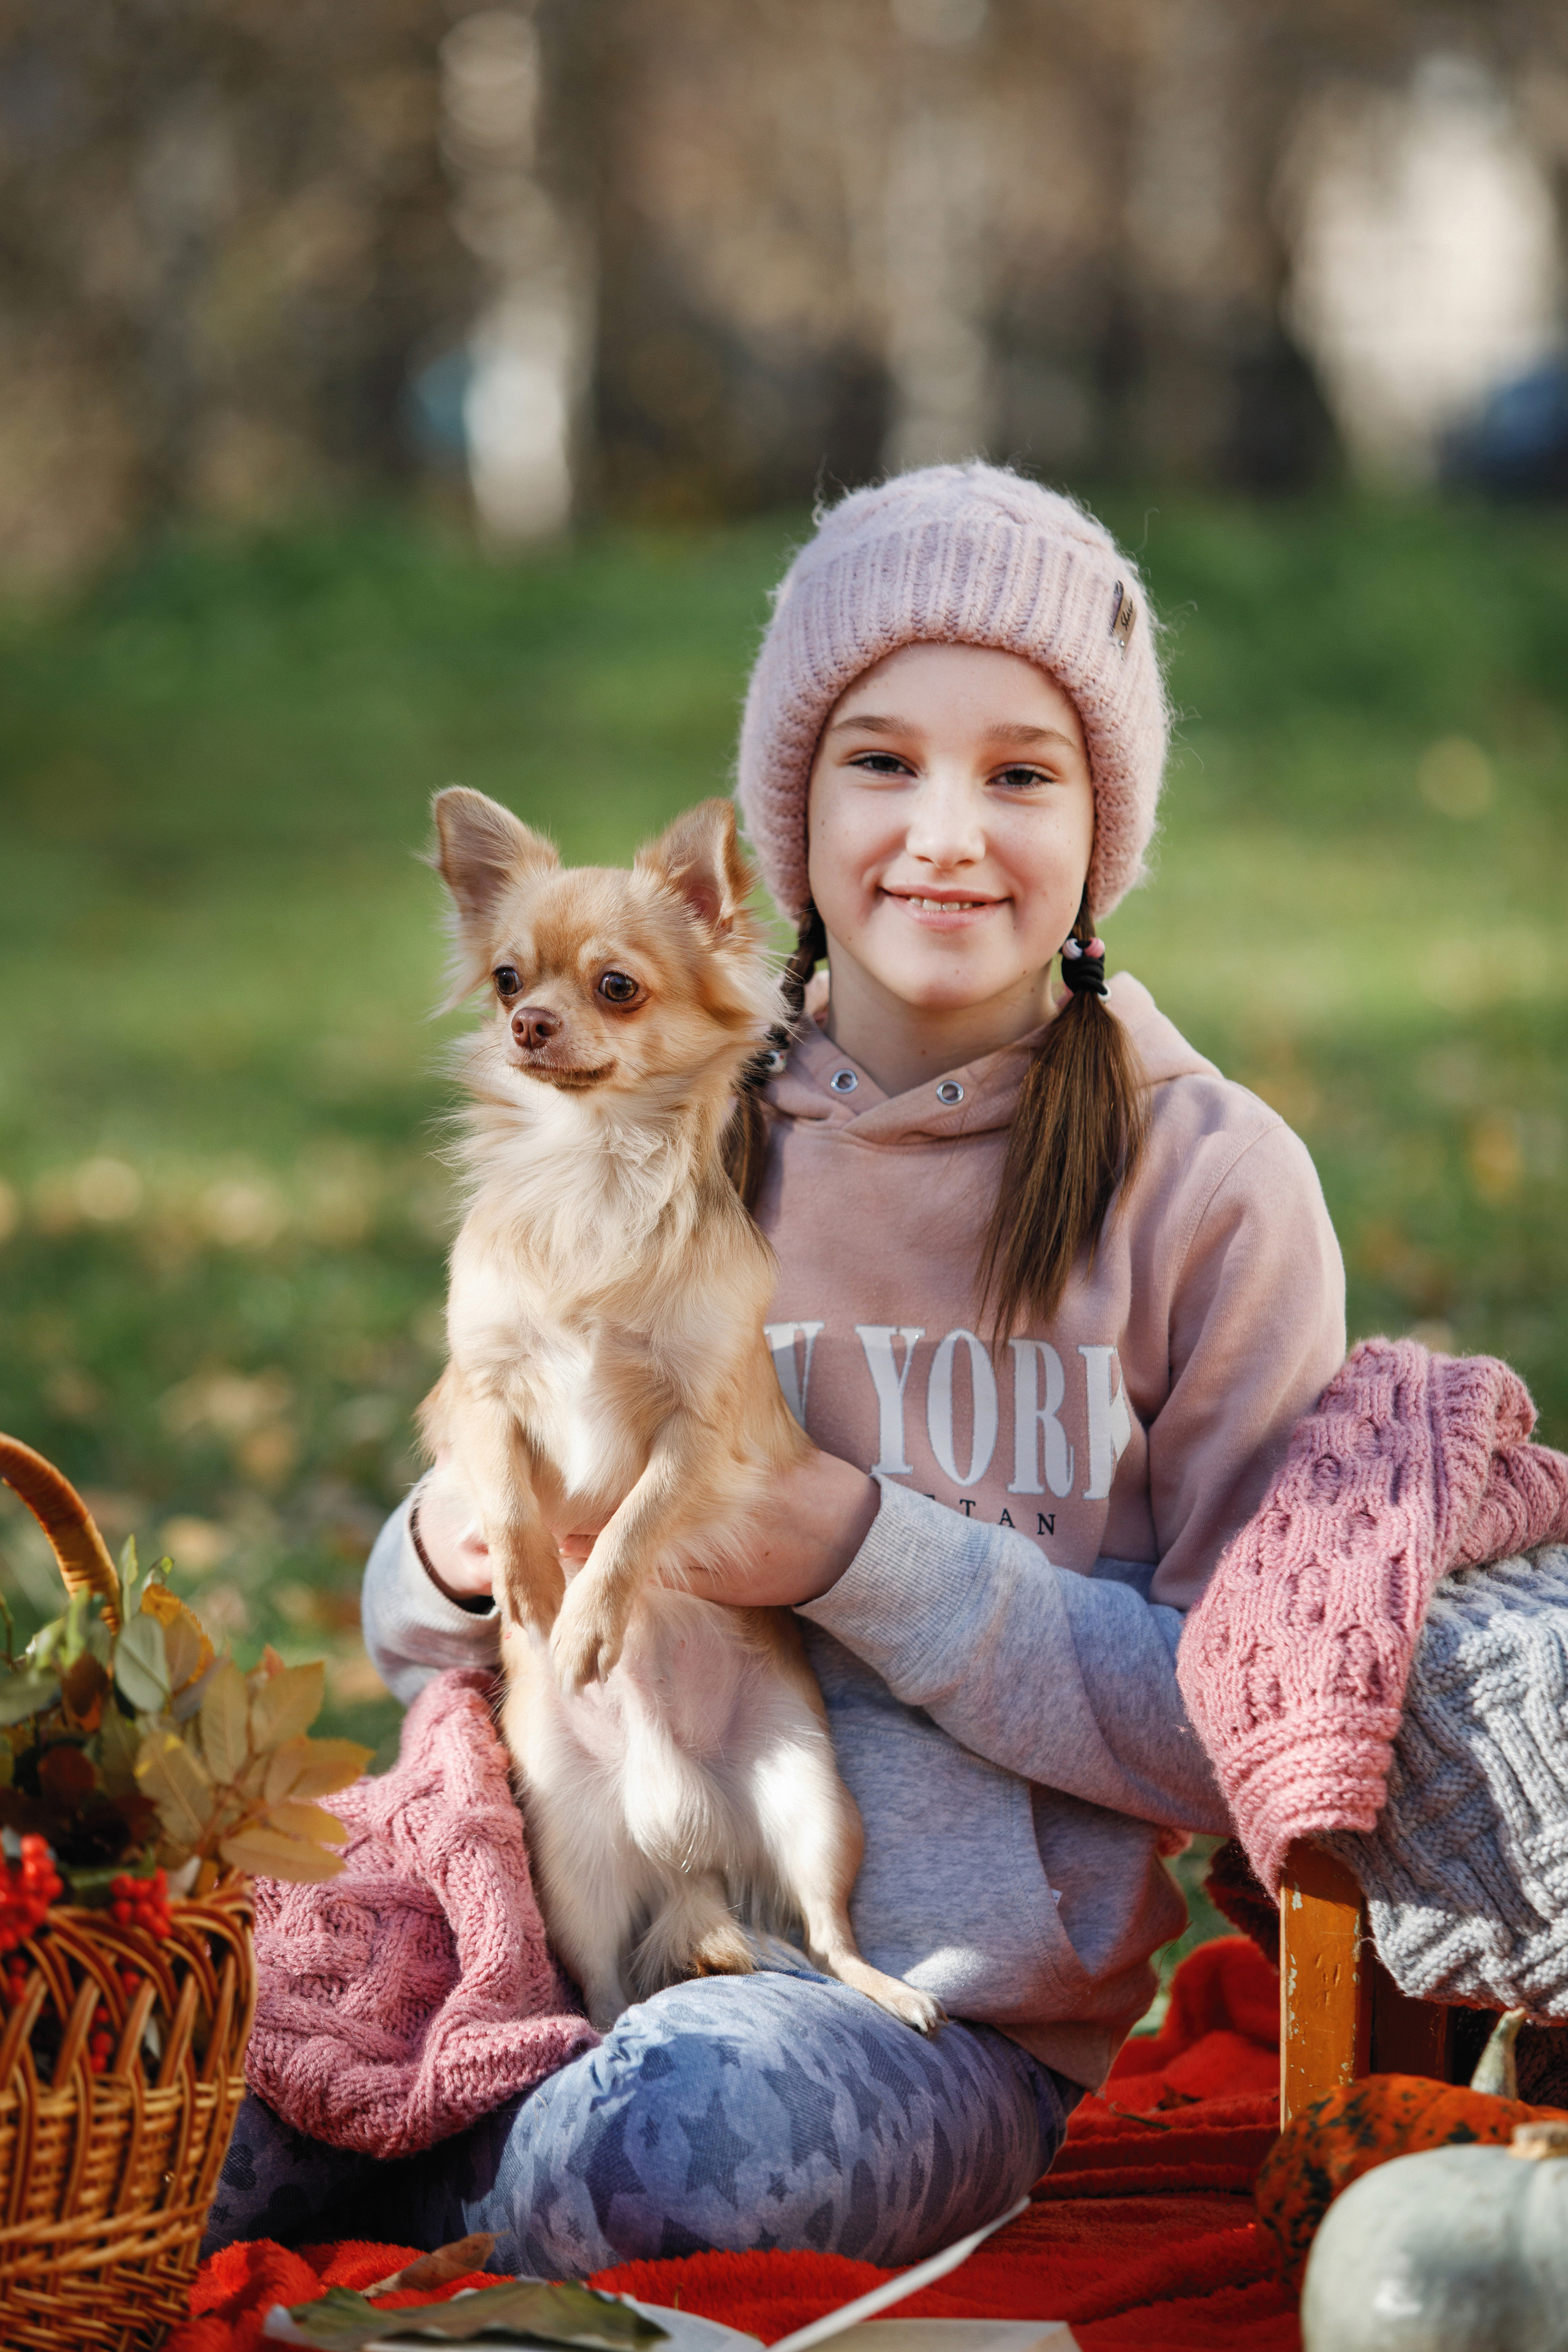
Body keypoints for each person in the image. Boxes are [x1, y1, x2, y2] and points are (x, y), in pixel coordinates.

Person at [207, 463, 1344, 2274]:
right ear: (782, 815)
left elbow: (1243, 1730)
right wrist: (450, 1544)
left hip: (921, 2017)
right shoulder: (652, 1107)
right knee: (169, 2112)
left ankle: (471, 2206)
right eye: (881, 760)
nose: (945, 833)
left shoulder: (1209, 1187)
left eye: (1022, 772)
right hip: (553, 1880)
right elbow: (421, 1628)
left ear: (1103, 821)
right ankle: (451, 2173)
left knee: (676, 2145)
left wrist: (847, 1545)